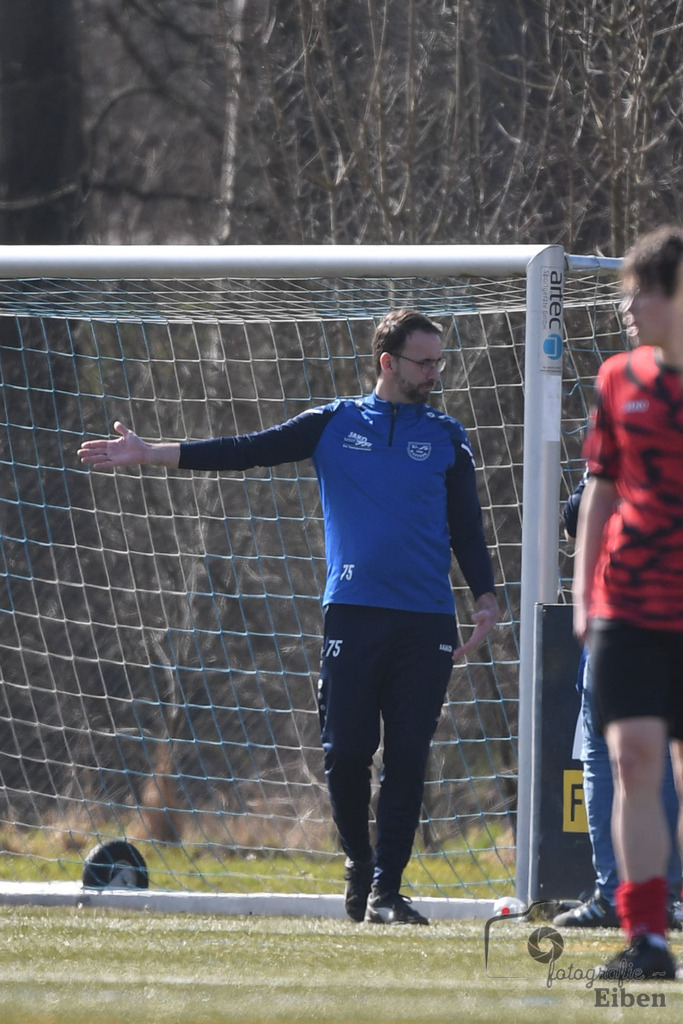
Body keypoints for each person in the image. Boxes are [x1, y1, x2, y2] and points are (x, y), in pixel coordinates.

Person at [78, 308, 500, 926]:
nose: (435, 372)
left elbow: (467, 525)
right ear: (388, 363)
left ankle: (387, 891)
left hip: (425, 621)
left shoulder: (447, 437)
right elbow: (245, 450)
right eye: (424, 362)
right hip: (353, 616)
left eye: (440, 361)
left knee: (409, 757)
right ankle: (360, 863)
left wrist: (485, 597)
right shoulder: (333, 423)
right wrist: (151, 454)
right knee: (346, 753)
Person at [573, 225, 683, 979]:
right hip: (628, 607)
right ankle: (646, 939)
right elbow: (601, 492)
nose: (628, 307)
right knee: (633, 761)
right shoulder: (617, 378)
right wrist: (586, 595)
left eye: (642, 292)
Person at [554, 470, 681, 931]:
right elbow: (578, 516)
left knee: (630, 757)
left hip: (641, 611)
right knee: (626, 756)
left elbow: (577, 516)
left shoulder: (633, 428)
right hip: (623, 612)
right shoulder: (620, 432)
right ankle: (637, 900)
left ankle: (642, 896)